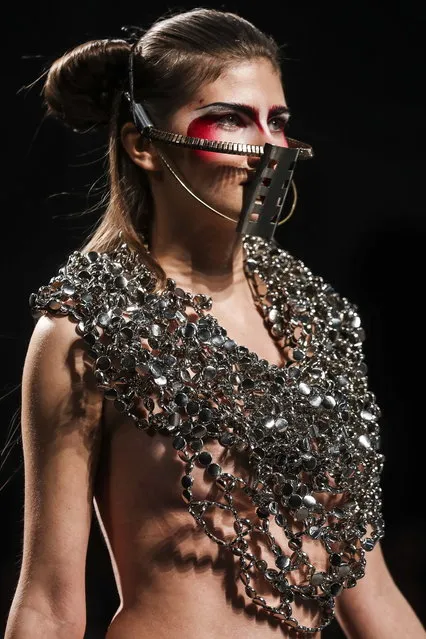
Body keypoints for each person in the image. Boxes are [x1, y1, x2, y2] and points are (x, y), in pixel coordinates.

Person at [4, 7, 425, 639]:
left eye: (277, 121)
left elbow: (367, 583)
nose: (265, 145)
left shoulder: (321, 323)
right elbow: (49, 604)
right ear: (143, 145)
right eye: (231, 117)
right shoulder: (88, 329)